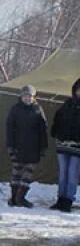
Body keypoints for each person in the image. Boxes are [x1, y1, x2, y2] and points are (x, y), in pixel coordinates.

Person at [5, 85, 47, 208]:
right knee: (16, 173)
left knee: (27, 174)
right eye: (25, 96)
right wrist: (10, 146)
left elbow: (43, 129)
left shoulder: (38, 109)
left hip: (33, 147)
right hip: (18, 146)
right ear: (21, 96)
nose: (28, 98)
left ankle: (21, 197)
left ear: (33, 97)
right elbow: (9, 129)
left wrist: (43, 146)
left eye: (30, 96)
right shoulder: (15, 109)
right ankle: (13, 198)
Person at [50, 78, 80, 213]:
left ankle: (68, 200)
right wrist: (55, 133)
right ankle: (60, 199)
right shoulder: (67, 104)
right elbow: (58, 119)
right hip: (62, 145)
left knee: (72, 174)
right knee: (63, 174)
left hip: (77, 147)